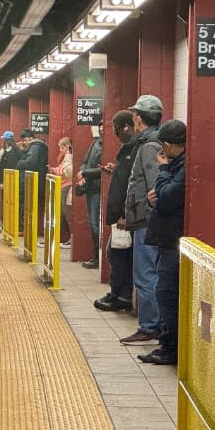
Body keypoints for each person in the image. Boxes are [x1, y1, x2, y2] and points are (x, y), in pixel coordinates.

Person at [138, 120, 187, 365]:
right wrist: (151, 198)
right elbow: (161, 196)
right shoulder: (178, 165)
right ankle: (168, 344)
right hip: (168, 239)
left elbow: (167, 198)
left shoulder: (180, 167)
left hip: (173, 241)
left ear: (167, 145)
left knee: (166, 294)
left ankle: (170, 348)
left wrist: (163, 170)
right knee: (165, 292)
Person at [120, 95, 164, 345]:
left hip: (146, 222)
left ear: (138, 118)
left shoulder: (148, 146)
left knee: (145, 274)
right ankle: (152, 324)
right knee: (149, 273)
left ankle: (150, 326)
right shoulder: (154, 142)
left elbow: (153, 185)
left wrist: (142, 215)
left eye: (134, 114)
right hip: (148, 221)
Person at [93, 110, 136, 312]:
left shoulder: (136, 149)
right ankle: (120, 293)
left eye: (116, 130)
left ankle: (121, 295)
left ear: (126, 127)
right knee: (118, 253)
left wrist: (124, 215)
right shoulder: (129, 149)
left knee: (118, 253)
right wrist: (115, 169)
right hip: (124, 214)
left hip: (127, 216)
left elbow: (133, 185)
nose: (115, 134)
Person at [77, 127, 103, 268]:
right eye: (100, 126)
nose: (101, 128)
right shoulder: (95, 143)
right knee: (92, 223)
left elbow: (103, 168)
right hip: (90, 188)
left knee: (95, 224)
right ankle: (95, 257)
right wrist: (82, 172)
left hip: (99, 188)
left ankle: (98, 258)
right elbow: (85, 160)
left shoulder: (108, 145)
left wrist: (85, 172)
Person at [50, 137, 73, 248]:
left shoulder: (69, 157)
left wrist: (55, 170)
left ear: (68, 146)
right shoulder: (65, 157)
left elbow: (67, 171)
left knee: (66, 212)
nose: (60, 150)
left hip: (66, 185)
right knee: (64, 212)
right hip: (63, 184)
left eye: (62, 147)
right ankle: (69, 238)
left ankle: (71, 238)